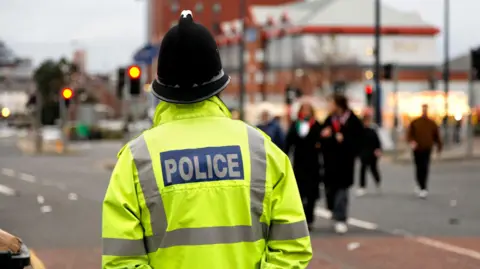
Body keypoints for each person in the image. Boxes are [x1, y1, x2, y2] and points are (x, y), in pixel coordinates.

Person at [102, 10, 312, 269]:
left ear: (162, 87)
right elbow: (292, 248)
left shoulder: (137, 159)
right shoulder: (262, 151)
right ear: (220, 85)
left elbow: (121, 261)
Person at [320, 94, 363, 234]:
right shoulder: (329, 120)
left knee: (342, 190)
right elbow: (321, 140)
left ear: (338, 105)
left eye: (331, 103)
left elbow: (359, 140)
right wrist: (325, 136)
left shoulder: (353, 120)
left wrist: (345, 140)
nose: (329, 107)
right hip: (330, 162)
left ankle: (341, 218)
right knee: (330, 190)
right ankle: (333, 210)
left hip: (345, 162)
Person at [285, 102, 323, 231]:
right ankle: (301, 219)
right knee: (299, 193)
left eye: (308, 110)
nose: (306, 112)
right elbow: (288, 142)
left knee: (312, 194)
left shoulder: (316, 125)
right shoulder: (296, 124)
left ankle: (310, 219)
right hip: (299, 163)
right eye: (303, 109)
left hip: (313, 164)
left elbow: (321, 141)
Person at [407, 104, 442, 199]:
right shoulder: (415, 122)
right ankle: (419, 183)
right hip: (417, 149)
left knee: (425, 167)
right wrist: (412, 142)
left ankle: (423, 187)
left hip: (427, 148)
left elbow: (436, 136)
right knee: (418, 167)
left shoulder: (431, 123)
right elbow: (409, 134)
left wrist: (439, 146)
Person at [357, 115, 382, 197]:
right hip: (364, 153)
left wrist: (378, 149)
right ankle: (362, 186)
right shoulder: (360, 132)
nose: (367, 123)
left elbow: (377, 141)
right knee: (363, 169)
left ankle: (377, 181)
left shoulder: (372, 131)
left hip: (372, 153)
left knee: (373, 169)